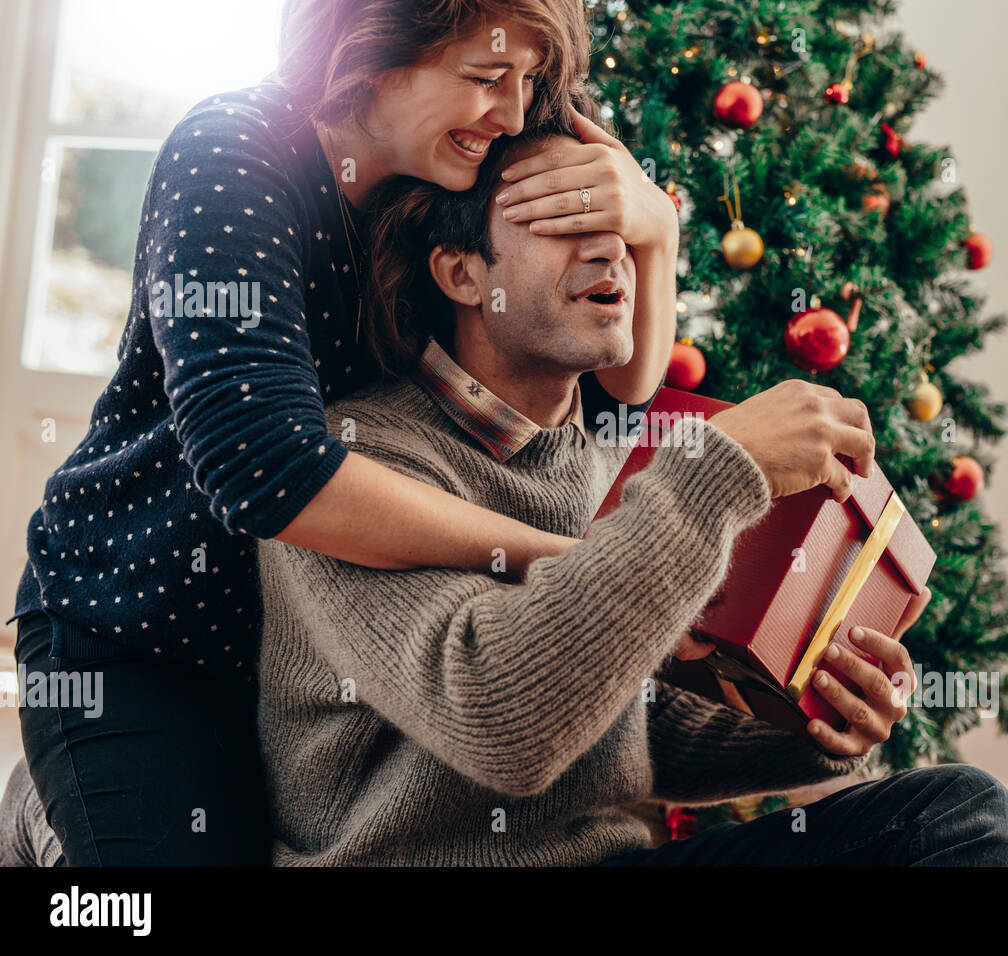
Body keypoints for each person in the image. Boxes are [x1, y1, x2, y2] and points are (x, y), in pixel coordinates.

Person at [252, 92, 1008, 867]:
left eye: (619, 228)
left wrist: (821, 722)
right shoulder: (354, 464)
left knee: (963, 819)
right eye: (564, 223)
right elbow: (506, 728)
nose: (608, 253)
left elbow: (639, 730)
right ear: (461, 273)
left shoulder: (599, 467)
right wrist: (717, 469)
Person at [6, 0, 679, 865]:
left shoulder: (458, 165)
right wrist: (565, 564)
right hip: (137, 633)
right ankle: (50, 819)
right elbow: (264, 466)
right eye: (485, 79)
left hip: (301, 661)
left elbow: (621, 386)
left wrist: (655, 232)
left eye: (531, 81)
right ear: (368, 50)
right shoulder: (236, 154)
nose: (515, 113)